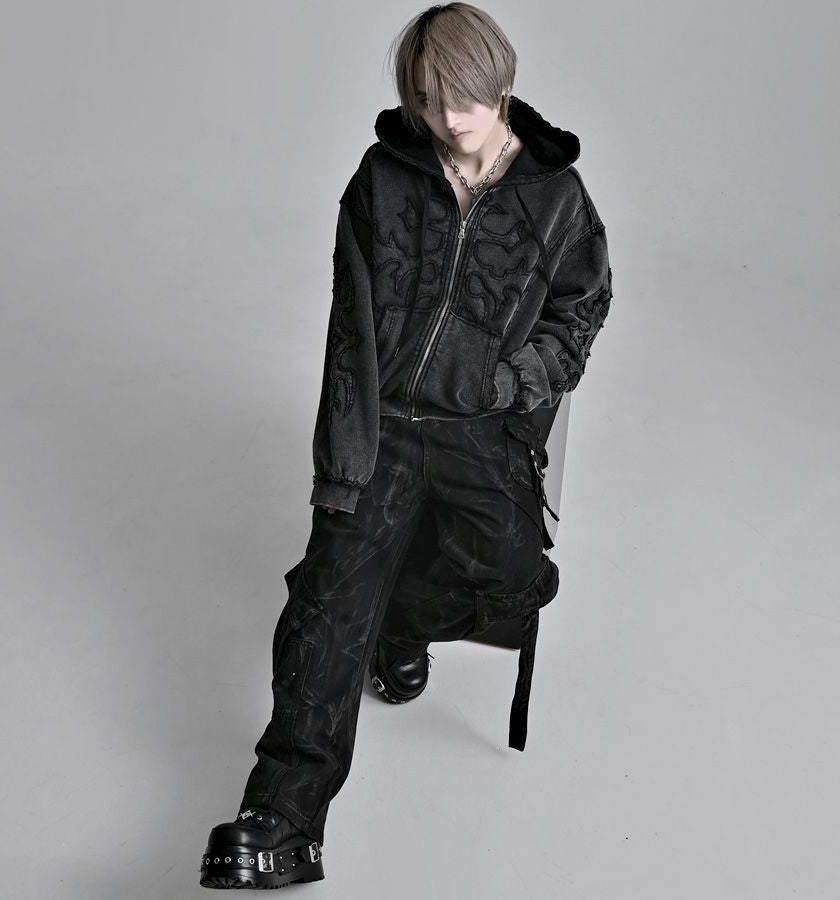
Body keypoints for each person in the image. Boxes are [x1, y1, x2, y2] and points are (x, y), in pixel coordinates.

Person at [199, 2, 613, 889]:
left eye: (464, 99)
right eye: (428, 100)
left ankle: (401, 624)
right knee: (327, 609)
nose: (448, 119)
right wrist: (342, 458)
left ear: (502, 83)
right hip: (383, 426)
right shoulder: (382, 177)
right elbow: (348, 330)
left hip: (482, 434)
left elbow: (582, 310)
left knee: (514, 581)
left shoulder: (557, 198)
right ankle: (280, 821)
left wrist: (513, 383)